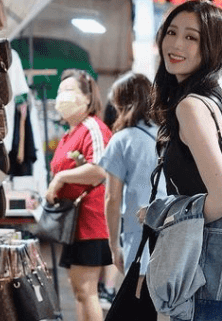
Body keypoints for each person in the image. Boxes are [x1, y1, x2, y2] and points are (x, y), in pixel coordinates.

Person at [150, 0, 222, 320]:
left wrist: (164, 216)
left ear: (212, 48)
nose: (176, 44)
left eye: (192, 37)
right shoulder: (211, 98)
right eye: (171, 32)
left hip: (210, 269)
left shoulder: (191, 106)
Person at [45, 69, 113, 321]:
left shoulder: (93, 127)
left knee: (86, 290)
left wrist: (61, 178)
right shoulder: (70, 133)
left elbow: (100, 168)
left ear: (87, 97)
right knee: (79, 290)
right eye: (60, 91)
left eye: (69, 91)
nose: (62, 96)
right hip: (74, 222)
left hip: (91, 221)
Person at [98, 72, 166, 295]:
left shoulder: (122, 139)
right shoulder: (168, 133)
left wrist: (113, 245)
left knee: (139, 299)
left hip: (140, 231)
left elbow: (112, 198)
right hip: (174, 226)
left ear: (121, 103)